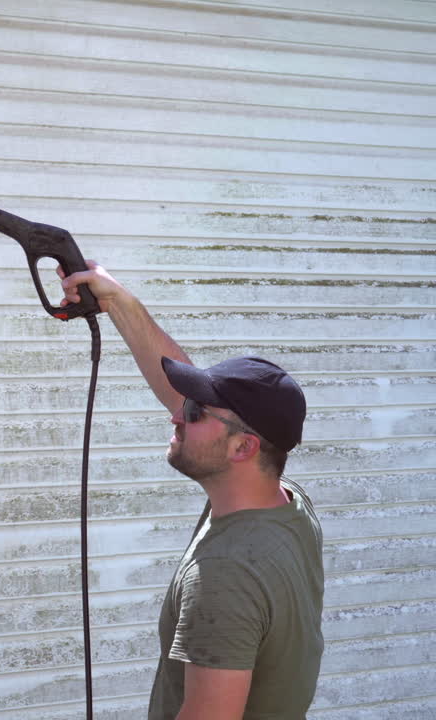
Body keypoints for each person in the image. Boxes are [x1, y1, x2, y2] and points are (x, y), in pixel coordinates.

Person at [58, 263, 324, 719]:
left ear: (243, 447)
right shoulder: (286, 504)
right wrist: (116, 299)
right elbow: (178, 395)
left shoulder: (225, 573)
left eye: (196, 412)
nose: (177, 415)